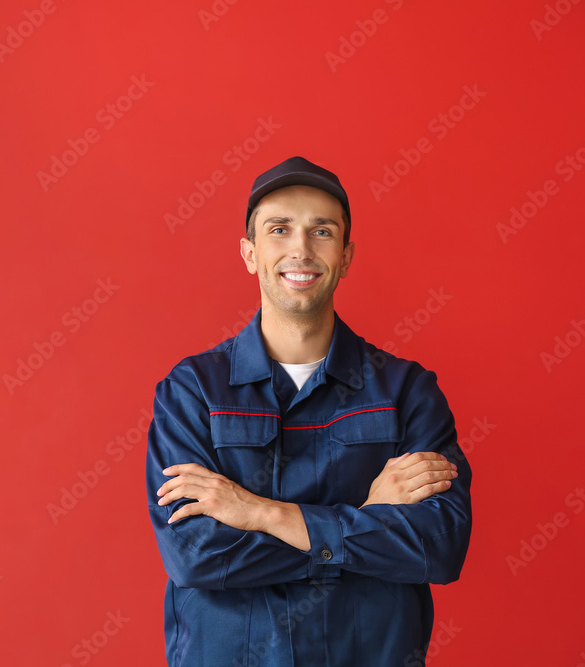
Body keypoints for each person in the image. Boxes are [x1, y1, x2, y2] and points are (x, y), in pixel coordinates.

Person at [145, 156, 473, 666]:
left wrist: (261, 514)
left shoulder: (406, 389)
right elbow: (196, 555)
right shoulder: (192, 391)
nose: (301, 248)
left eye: (322, 231)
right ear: (250, 253)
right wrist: (365, 521)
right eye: (280, 229)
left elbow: (439, 545)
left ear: (346, 256)